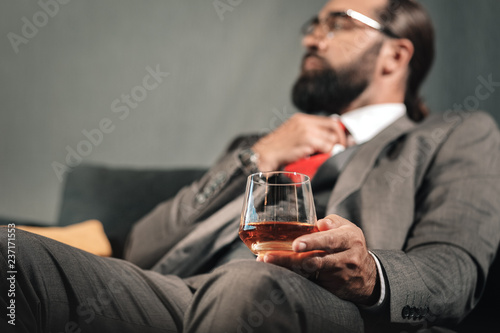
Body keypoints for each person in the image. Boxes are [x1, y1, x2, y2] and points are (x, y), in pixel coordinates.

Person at [1, 0, 499, 332]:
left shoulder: (454, 135)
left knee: (244, 284)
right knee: (11, 251)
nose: (312, 39)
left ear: (395, 54)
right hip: (173, 296)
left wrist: (370, 274)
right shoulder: (258, 144)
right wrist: (256, 157)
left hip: (323, 305)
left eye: (338, 23)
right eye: (313, 26)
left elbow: (454, 270)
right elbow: (142, 247)